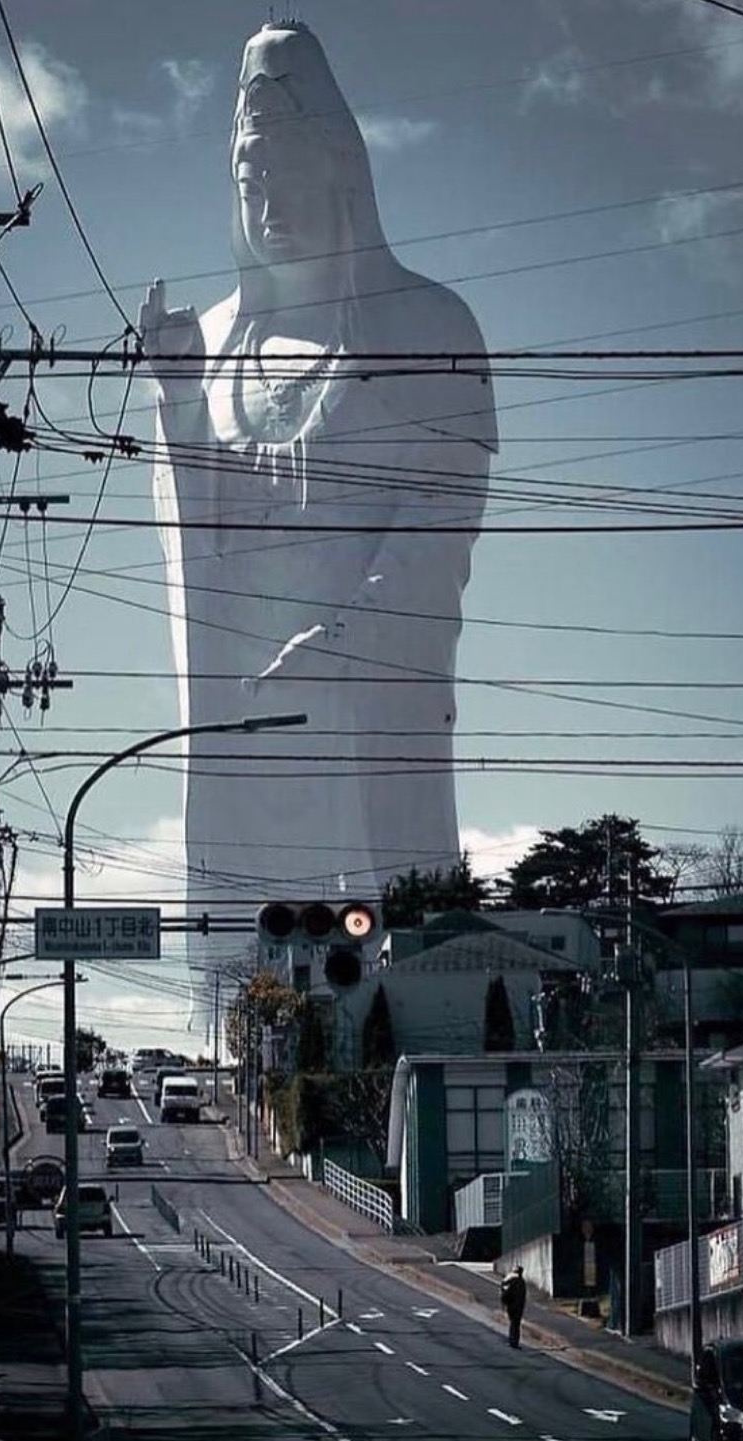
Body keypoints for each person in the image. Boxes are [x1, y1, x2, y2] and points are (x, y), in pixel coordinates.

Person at [138, 21, 497, 933]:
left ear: (342, 169)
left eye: (289, 169)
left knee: (382, 920)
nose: (270, 202)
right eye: (250, 178)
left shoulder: (428, 324)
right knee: (247, 934)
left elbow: (441, 524)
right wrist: (179, 400)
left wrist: (345, 640)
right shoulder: (211, 339)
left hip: (364, 700)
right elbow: (193, 542)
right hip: (242, 716)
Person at [500, 1263, 527, 1349]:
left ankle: (512, 1341)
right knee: (516, 1324)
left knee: (513, 1323)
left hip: (511, 1306)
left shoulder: (511, 1281)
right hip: (519, 1307)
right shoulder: (522, 1282)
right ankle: (515, 1341)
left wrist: (504, 1302)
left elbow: (504, 1289)